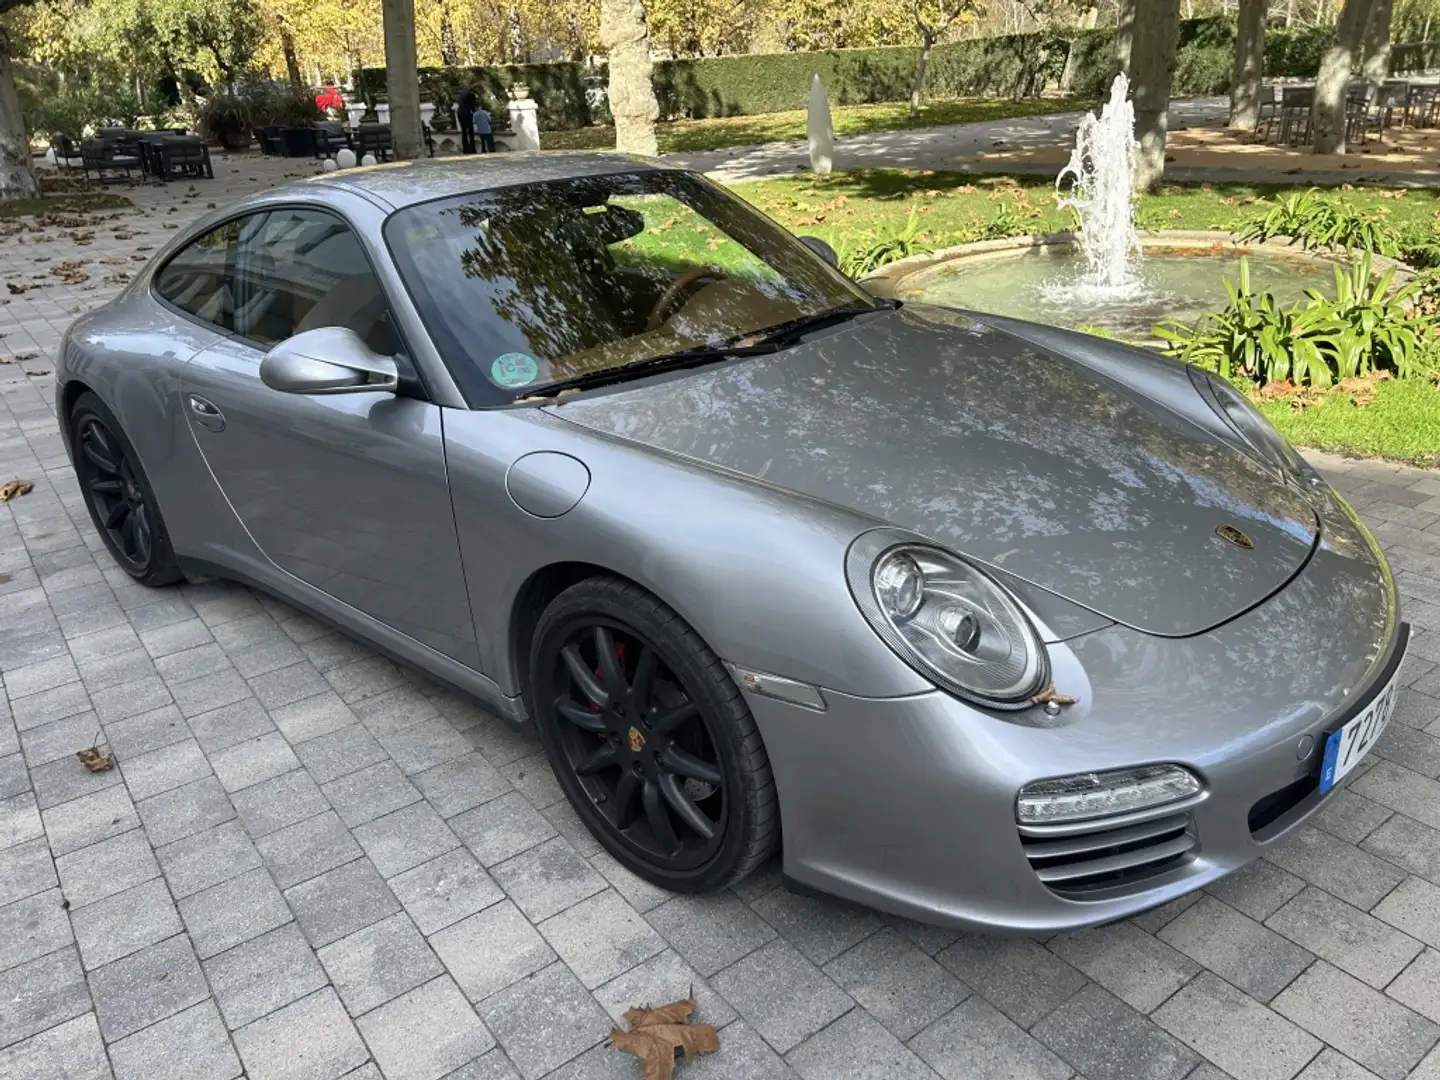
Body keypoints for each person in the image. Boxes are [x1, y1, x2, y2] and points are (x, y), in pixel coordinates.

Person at [456, 85, 478, 154]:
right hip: (467, 113)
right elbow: (472, 105)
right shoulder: (471, 94)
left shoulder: (462, 94)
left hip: (460, 113)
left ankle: (465, 148)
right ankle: (472, 148)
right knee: (471, 132)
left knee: (464, 131)